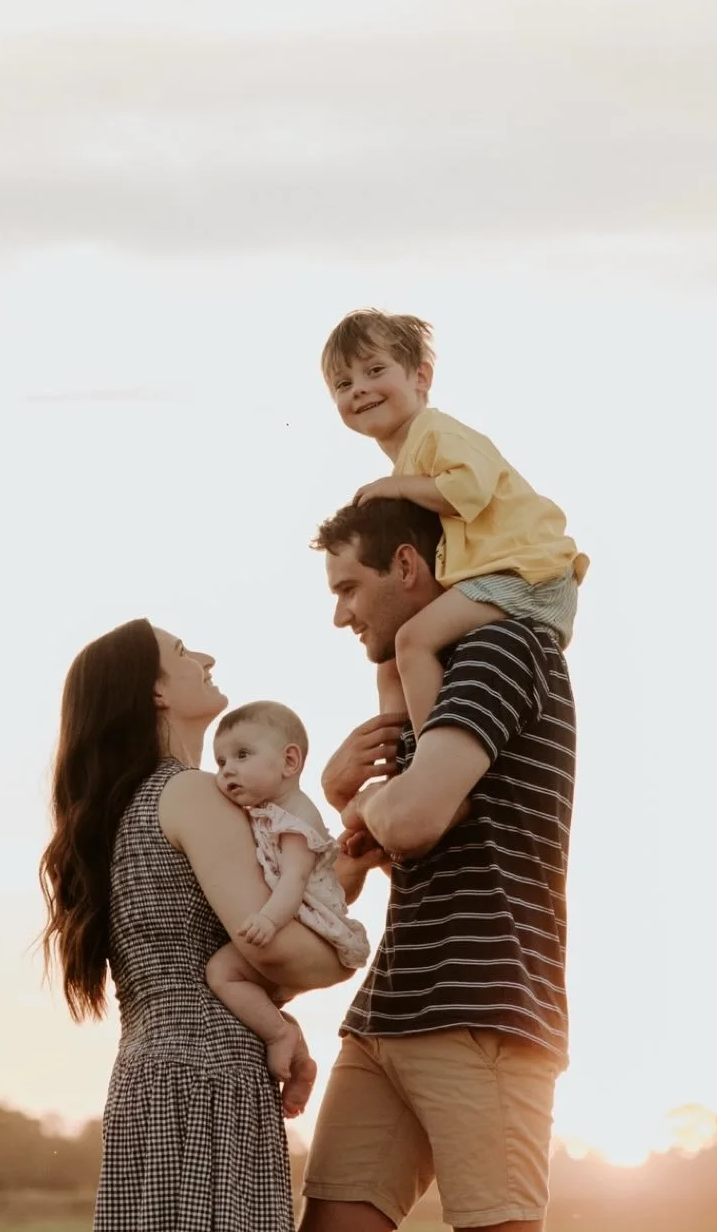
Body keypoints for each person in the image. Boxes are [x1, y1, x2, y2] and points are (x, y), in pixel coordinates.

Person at [299, 497, 578, 1232]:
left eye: (348, 588)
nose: (341, 615)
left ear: (405, 565)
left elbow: (416, 820)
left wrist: (356, 806)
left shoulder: (501, 649)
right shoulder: (433, 681)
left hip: (481, 1010)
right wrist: (352, 804)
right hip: (390, 1009)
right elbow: (423, 849)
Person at [38, 619, 353, 1232]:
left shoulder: (125, 807)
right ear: (155, 691)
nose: (205, 657)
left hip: (148, 1077)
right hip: (211, 1076)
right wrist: (345, 956)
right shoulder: (190, 793)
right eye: (182, 652)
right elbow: (275, 952)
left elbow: (254, 925)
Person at [321, 307, 588, 737]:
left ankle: (431, 755)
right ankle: (396, 752)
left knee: (413, 642)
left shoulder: (436, 432)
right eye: (343, 383)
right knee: (392, 659)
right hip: (497, 574)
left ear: (421, 377)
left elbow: (470, 490)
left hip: (524, 572)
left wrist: (400, 486)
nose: (360, 389)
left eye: (375, 370)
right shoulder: (410, 460)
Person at [205, 700, 370, 1083]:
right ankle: (295, 1053)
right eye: (221, 762)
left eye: (242, 755)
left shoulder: (295, 819)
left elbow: (294, 880)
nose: (227, 769)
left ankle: (279, 1034)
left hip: (306, 926)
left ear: (289, 762)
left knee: (221, 973)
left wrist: (268, 919)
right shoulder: (270, 810)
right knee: (258, 997)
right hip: (299, 922)